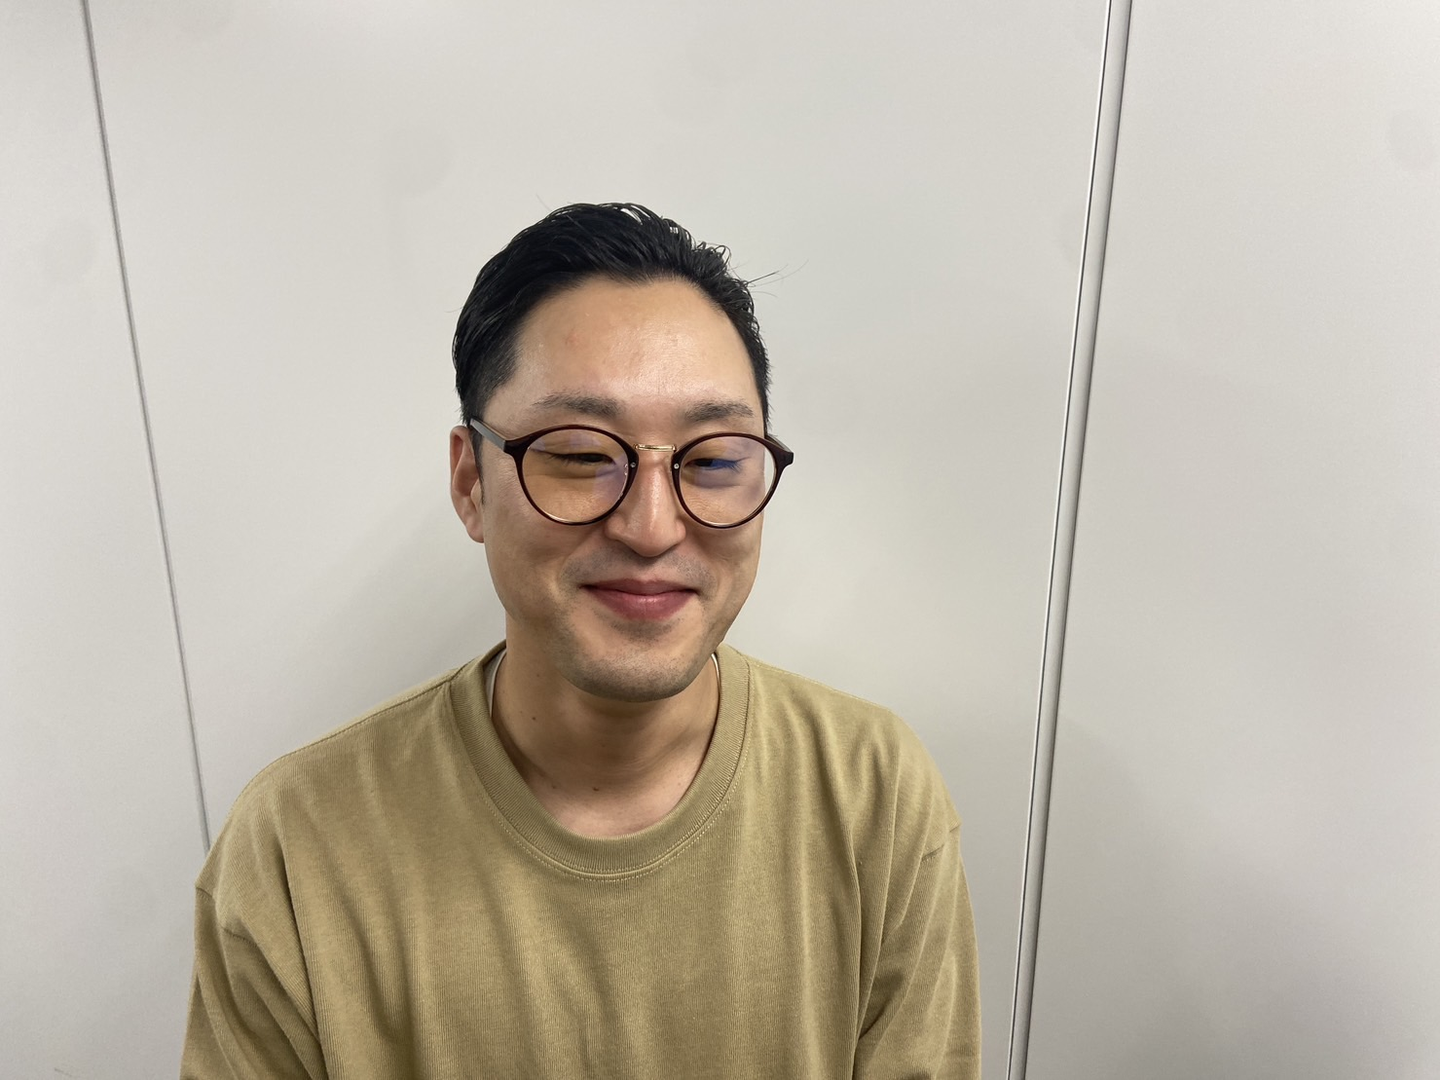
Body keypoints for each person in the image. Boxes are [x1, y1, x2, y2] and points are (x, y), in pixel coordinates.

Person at [181, 203, 980, 1078]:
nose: (652, 526)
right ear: (470, 482)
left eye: (714, 459)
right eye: (579, 455)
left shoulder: (871, 795)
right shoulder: (298, 845)